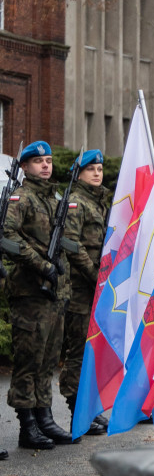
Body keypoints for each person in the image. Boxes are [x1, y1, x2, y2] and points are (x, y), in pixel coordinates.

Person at [4, 141, 76, 450]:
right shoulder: (21, 199)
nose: (46, 165)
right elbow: (7, 237)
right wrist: (41, 264)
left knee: (48, 360)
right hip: (30, 291)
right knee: (29, 360)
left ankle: (45, 417)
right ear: (24, 167)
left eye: (48, 160)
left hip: (54, 293)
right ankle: (27, 425)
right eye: (38, 161)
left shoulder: (55, 197)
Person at [60, 149, 111, 435]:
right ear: (78, 173)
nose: (97, 173)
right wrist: (95, 275)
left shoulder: (98, 202)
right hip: (80, 287)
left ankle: (88, 408)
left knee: (93, 349)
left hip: (96, 286)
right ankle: (76, 412)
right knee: (79, 350)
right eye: (91, 169)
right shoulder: (77, 203)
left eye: (100, 168)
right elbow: (71, 244)